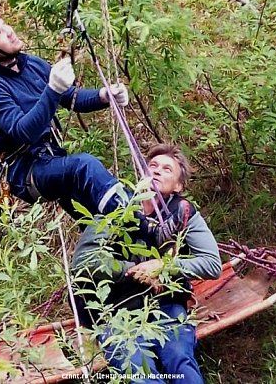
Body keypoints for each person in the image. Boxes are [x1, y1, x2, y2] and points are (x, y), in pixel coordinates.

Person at [0, 9, 133, 217]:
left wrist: (105, 95)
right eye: (0, 33)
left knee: (98, 224)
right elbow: (23, 131)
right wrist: (52, 90)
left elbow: (71, 97)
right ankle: (140, 217)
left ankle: (140, 235)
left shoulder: (31, 64)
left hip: (52, 161)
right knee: (84, 166)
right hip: (27, 171)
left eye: (5, 25)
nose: (10, 31)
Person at [72, 144, 222, 384]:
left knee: (179, 358)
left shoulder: (181, 212)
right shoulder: (116, 210)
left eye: (167, 169)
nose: (157, 171)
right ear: (142, 175)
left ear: (178, 186)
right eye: (152, 166)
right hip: (118, 309)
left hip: (166, 303)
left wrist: (163, 267)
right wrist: (132, 270)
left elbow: (212, 263)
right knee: (139, 370)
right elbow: (83, 263)